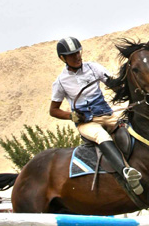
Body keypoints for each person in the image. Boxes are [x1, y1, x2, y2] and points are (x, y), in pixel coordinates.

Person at [49, 36, 143, 196]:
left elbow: (114, 85)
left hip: (106, 114)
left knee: (131, 125)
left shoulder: (94, 68)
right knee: (101, 136)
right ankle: (126, 172)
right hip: (86, 123)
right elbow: (53, 110)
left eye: (78, 52)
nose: (77, 56)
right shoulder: (60, 82)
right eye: (72, 55)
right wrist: (71, 116)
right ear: (62, 58)